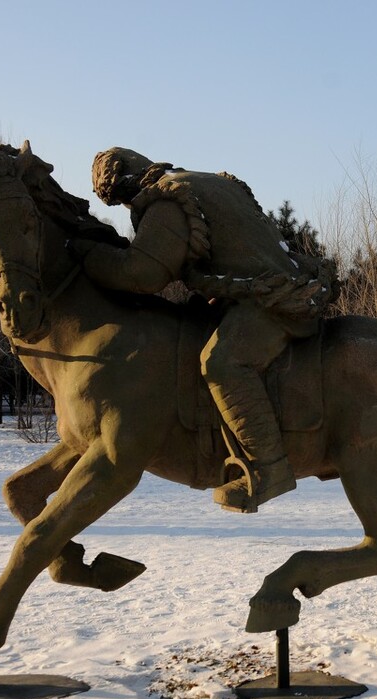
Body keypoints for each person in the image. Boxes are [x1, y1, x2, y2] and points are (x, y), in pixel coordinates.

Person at [76, 147, 329, 511]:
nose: (130, 210)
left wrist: (87, 254)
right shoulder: (206, 180)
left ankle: (270, 468)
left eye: (122, 200)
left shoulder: (167, 200)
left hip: (273, 302)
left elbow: (144, 273)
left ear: (127, 183)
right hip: (271, 288)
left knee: (222, 363)